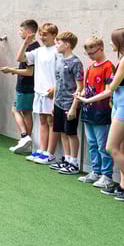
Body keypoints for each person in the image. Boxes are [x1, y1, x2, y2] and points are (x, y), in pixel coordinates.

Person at [75, 28, 124, 201]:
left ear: (120, 42)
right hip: (121, 102)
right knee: (122, 147)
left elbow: (111, 88)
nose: (110, 44)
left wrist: (86, 100)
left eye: (113, 40)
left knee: (110, 147)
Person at [19, 23, 60, 165]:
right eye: (41, 34)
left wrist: (56, 87)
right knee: (42, 121)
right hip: (39, 91)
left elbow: (61, 71)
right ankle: (42, 150)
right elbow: (20, 58)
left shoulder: (57, 51)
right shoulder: (38, 51)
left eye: (45, 35)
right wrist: (25, 43)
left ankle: (50, 153)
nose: (42, 37)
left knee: (51, 122)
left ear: (54, 35)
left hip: (51, 92)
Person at [78, 36, 116, 189]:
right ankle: (96, 171)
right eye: (88, 53)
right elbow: (85, 88)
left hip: (102, 111)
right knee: (92, 143)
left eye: (92, 53)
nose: (91, 56)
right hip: (88, 111)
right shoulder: (90, 67)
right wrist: (79, 95)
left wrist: (90, 99)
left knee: (103, 145)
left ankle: (107, 175)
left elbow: (109, 91)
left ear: (101, 48)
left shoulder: (108, 66)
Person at [0, 19, 39, 154]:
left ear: (28, 32)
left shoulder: (33, 48)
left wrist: (11, 70)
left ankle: (24, 136)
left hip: (26, 86)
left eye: (21, 30)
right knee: (25, 112)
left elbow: (29, 72)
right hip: (26, 85)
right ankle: (25, 140)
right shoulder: (32, 47)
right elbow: (24, 66)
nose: (19, 33)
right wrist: (13, 69)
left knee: (16, 110)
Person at [50, 32, 84, 175]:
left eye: (58, 43)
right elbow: (57, 83)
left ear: (67, 44)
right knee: (62, 131)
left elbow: (80, 87)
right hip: (58, 102)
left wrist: (73, 107)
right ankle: (67, 159)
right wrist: (53, 103)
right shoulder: (59, 59)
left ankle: (74, 163)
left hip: (70, 103)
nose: (56, 45)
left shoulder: (76, 62)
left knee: (71, 132)